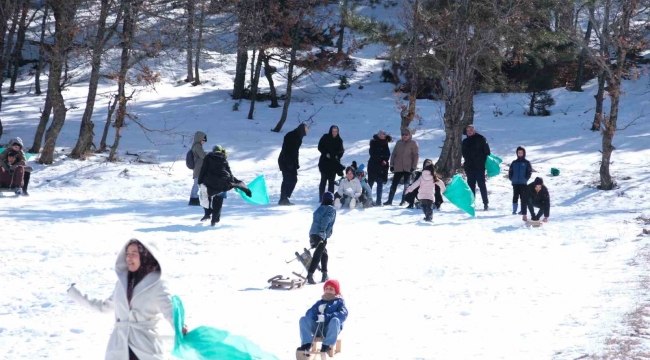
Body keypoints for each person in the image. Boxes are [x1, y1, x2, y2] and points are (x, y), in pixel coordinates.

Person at [67, 238, 188, 360]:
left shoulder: (158, 285)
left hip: (146, 348)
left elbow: (169, 310)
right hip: (119, 348)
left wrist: (180, 327)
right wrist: (77, 295)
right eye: (127, 254)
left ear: (146, 256)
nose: (129, 258)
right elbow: (104, 307)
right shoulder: (121, 284)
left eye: (134, 254)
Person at [198, 145, 252, 226]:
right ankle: (214, 220)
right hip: (223, 183)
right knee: (218, 200)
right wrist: (235, 183)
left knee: (206, 197)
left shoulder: (208, 157)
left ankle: (208, 212)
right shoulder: (223, 158)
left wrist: (200, 181)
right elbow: (229, 172)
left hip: (210, 183)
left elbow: (203, 169)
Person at [296, 279, 348, 356]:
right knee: (303, 319)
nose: (328, 291)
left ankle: (326, 345)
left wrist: (326, 317)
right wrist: (316, 312)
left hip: (330, 330)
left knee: (335, 320)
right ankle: (306, 344)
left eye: (331, 289)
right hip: (318, 328)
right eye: (326, 288)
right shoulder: (319, 302)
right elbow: (308, 315)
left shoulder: (339, 302)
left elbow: (343, 314)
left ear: (336, 291)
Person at [307, 191, 337, 284]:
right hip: (321, 234)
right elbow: (326, 220)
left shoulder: (319, 209)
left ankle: (324, 274)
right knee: (318, 255)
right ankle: (310, 274)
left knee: (324, 254)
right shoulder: (331, 209)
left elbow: (315, 222)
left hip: (313, 233)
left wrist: (311, 239)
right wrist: (323, 231)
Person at [385, 128, 419, 206]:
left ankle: (403, 200)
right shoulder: (398, 142)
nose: (404, 136)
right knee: (394, 184)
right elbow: (393, 154)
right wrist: (392, 165)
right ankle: (389, 200)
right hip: (398, 167)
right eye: (403, 134)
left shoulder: (413, 143)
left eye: (406, 134)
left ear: (410, 135)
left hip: (408, 167)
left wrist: (414, 166)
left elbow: (416, 156)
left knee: (406, 185)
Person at [462, 124, 491, 210]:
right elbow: (464, 154)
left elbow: (487, 152)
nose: (469, 132)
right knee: (471, 186)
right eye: (468, 131)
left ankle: (485, 203)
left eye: (471, 130)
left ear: (474, 130)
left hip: (479, 167)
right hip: (469, 167)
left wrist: (481, 160)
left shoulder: (481, 139)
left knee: (482, 185)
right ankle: (472, 203)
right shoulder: (465, 141)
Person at [278, 123, 308, 205]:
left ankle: (285, 197)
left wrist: (296, 163)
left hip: (292, 162)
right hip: (284, 161)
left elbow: (296, 152)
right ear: (302, 129)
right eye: (306, 129)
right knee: (287, 179)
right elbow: (285, 150)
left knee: (294, 179)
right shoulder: (290, 135)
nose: (307, 131)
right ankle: (282, 199)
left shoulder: (299, 138)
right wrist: (288, 163)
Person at [317, 126, 344, 202]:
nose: (334, 133)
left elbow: (341, 151)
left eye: (336, 131)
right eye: (333, 131)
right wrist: (325, 153)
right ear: (330, 131)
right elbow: (320, 147)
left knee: (331, 182)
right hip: (324, 163)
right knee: (323, 181)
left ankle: (330, 199)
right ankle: (321, 198)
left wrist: (337, 156)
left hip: (333, 163)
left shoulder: (339, 140)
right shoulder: (325, 137)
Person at [367, 130, 392, 206]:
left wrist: (384, 160)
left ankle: (378, 201)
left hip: (382, 167)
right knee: (370, 184)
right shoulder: (373, 142)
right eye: (381, 134)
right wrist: (381, 158)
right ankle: (368, 200)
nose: (383, 135)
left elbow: (387, 154)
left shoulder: (385, 143)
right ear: (378, 135)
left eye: (384, 134)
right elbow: (372, 154)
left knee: (380, 184)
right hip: (373, 166)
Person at [508, 146, 533, 215]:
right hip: (515, 182)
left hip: (523, 183)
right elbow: (510, 171)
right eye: (519, 152)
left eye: (521, 152)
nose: (520, 154)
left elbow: (529, 172)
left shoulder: (526, 162)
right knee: (515, 196)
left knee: (523, 197)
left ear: (524, 153)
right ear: (517, 153)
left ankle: (522, 210)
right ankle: (514, 210)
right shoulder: (514, 162)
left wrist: (526, 178)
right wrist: (511, 178)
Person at [189, 131, 207, 206]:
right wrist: (207, 154)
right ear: (199, 139)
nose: (204, 142)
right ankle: (194, 198)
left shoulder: (197, 146)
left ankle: (195, 198)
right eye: (203, 140)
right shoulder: (197, 146)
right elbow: (202, 156)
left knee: (198, 183)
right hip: (198, 168)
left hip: (199, 168)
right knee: (196, 183)